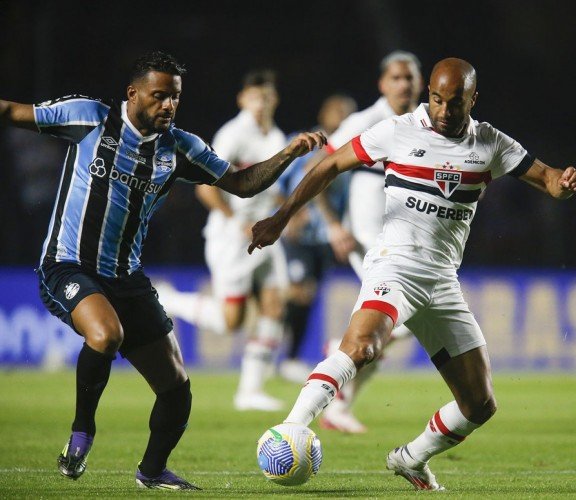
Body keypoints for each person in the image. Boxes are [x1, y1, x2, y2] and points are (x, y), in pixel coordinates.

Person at [248, 57, 576, 490]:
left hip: (442, 281)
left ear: (473, 100)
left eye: (455, 103)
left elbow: (547, 178)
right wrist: (280, 217)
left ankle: (411, 457)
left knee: (479, 404)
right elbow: (331, 164)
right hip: (395, 264)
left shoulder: (491, 143)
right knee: (363, 346)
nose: (444, 110)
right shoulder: (399, 129)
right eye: (437, 99)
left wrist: (564, 181)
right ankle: (291, 428)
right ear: (429, 94)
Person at [0, 51, 325, 489]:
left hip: (127, 278)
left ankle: (151, 473)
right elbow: (11, 111)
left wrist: (289, 152)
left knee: (177, 391)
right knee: (106, 334)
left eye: (175, 98)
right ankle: (82, 433)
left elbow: (243, 184)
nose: (168, 106)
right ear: (132, 94)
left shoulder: (181, 148)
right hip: (67, 264)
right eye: (159, 97)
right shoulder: (89, 118)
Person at [157, 69, 290, 412]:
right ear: (243, 99)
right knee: (232, 321)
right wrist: (236, 223)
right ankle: (171, 300)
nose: (262, 103)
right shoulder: (234, 133)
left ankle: (250, 391)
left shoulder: (274, 135)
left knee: (275, 304)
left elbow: (267, 188)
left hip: (262, 234)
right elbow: (205, 187)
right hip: (232, 238)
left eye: (267, 96)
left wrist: (285, 212)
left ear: (275, 100)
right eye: (255, 96)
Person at [311, 50, 425, 433]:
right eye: (396, 78)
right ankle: (339, 385)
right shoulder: (365, 121)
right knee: (403, 320)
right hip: (369, 234)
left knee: (390, 326)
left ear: (420, 83)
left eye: (410, 78)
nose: (404, 85)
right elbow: (320, 168)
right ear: (382, 84)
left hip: (407, 236)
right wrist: (332, 225)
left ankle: (340, 399)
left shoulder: (425, 123)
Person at [277, 93, 357, 383]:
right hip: (300, 233)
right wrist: (291, 212)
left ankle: (289, 356)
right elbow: (280, 182)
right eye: (337, 110)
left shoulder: (352, 150)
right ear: (324, 113)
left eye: (348, 112)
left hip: (324, 238)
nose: (342, 116)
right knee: (299, 291)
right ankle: (282, 353)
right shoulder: (308, 144)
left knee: (307, 296)